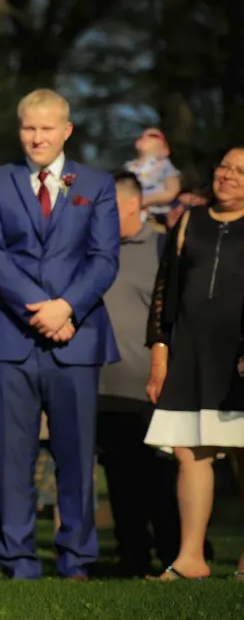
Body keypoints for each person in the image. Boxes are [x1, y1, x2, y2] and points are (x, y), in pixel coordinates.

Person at [0, 88, 120, 581]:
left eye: (47, 128)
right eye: (29, 128)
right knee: (13, 455)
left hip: (77, 334)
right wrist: (41, 308)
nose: (37, 137)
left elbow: (104, 258)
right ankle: (18, 560)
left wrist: (67, 307)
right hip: (10, 335)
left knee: (76, 453)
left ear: (66, 131)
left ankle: (76, 558)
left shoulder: (96, 184)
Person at [145, 147, 244, 580]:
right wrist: (159, 353)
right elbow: (164, 289)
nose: (228, 175)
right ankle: (190, 559)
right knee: (189, 451)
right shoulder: (189, 220)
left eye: (240, 171)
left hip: (237, 358)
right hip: (189, 351)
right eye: (224, 166)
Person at [96, 172, 180, 577]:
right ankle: (132, 556)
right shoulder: (96, 248)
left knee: (160, 476)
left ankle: (174, 552)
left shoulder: (162, 246)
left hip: (152, 384)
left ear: (133, 204)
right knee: (119, 476)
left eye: (109, 203)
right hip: (105, 385)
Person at [125, 128, 181, 225]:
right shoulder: (130, 167)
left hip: (156, 214)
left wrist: (145, 200)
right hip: (132, 215)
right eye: (142, 135)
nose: (144, 137)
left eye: (152, 136)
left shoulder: (164, 164)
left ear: (164, 148)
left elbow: (172, 191)